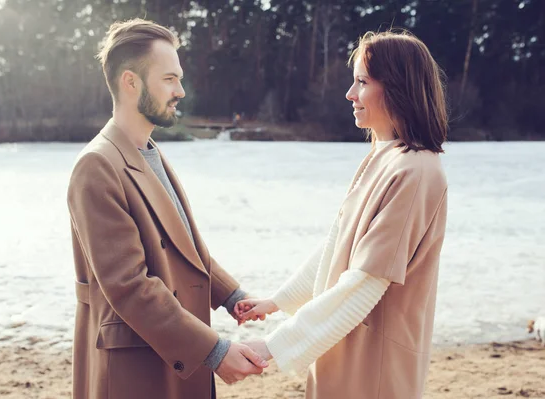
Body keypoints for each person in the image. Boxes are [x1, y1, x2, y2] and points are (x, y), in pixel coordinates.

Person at [236, 30, 449, 399]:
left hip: (375, 369)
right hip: (344, 351)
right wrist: (279, 301)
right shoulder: (384, 158)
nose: (350, 95)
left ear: (398, 87)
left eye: (362, 82)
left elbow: (365, 283)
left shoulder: (417, 172)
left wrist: (270, 346)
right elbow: (339, 246)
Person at [67, 19, 267, 399]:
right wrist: (215, 350)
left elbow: (184, 247)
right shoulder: (97, 165)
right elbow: (128, 287)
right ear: (131, 82)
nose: (181, 91)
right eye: (169, 79)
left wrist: (231, 296)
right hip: (135, 367)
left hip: (172, 350)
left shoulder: (150, 151)